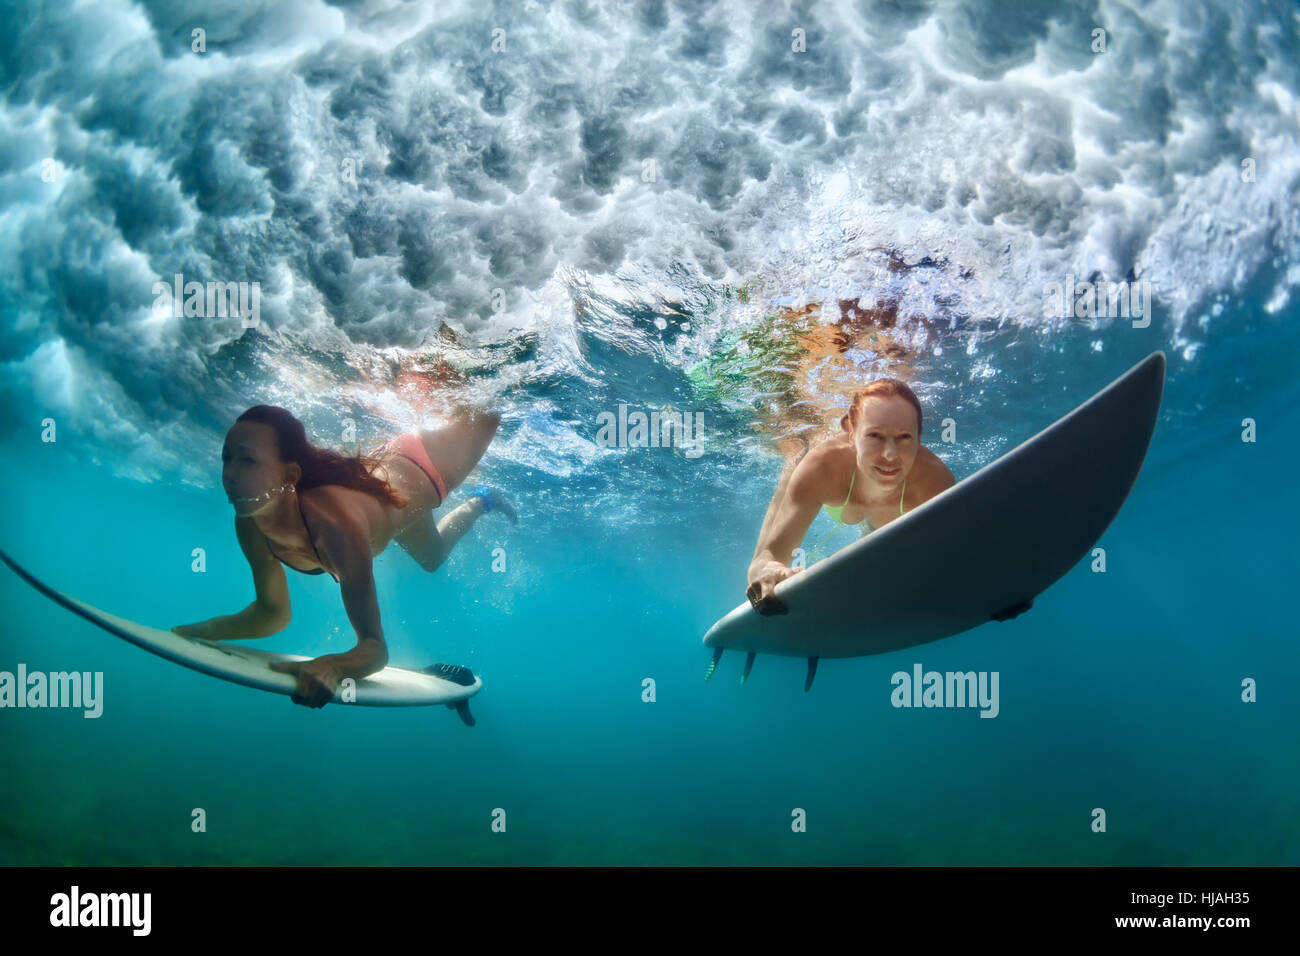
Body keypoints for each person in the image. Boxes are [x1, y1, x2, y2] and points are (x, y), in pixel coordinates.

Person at [171, 404, 516, 708]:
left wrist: (334, 666)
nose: (229, 475)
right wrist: (199, 632)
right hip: (394, 491)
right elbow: (272, 613)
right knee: (433, 557)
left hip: (431, 465)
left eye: (246, 460)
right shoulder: (250, 522)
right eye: (226, 458)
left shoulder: (334, 525)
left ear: (289, 475)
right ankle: (483, 500)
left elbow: (375, 648)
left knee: (487, 402)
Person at [746, 378, 956, 615]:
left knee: (879, 534)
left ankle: (870, 531)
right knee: (794, 461)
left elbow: (959, 553)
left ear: (919, 436)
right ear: (851, 432)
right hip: (832, 480)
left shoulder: (935, 480)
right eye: (874, 436)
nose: (890, 454)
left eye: (904, 437)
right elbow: (767, 556)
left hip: (884, 512)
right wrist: (767, 570)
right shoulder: (820, 468)